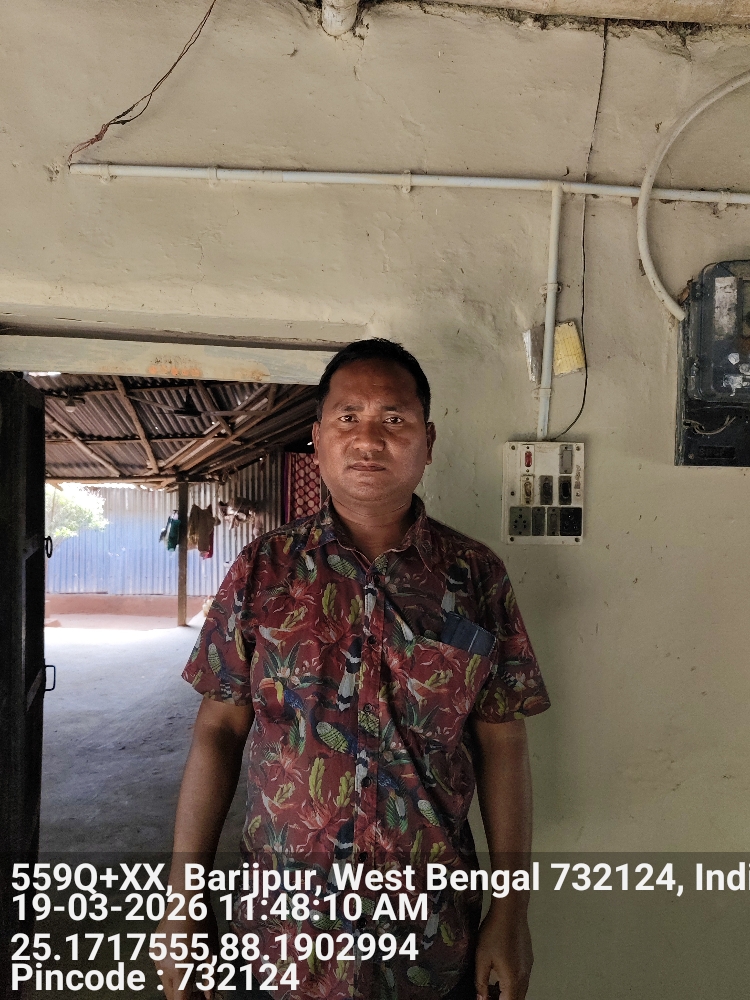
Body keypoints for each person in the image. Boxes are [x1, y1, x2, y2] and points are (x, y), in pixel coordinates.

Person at [155, 339, 550, 1000]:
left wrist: (512, 914)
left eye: (393, 418)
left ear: (428, 441)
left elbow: (503, 744)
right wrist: (183, 901)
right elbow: (218, 732)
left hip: (429, 937)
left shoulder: (476, 577)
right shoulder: (262, 570)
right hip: (282, 936)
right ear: (317, 439)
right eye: (348, 417)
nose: (369, 437)